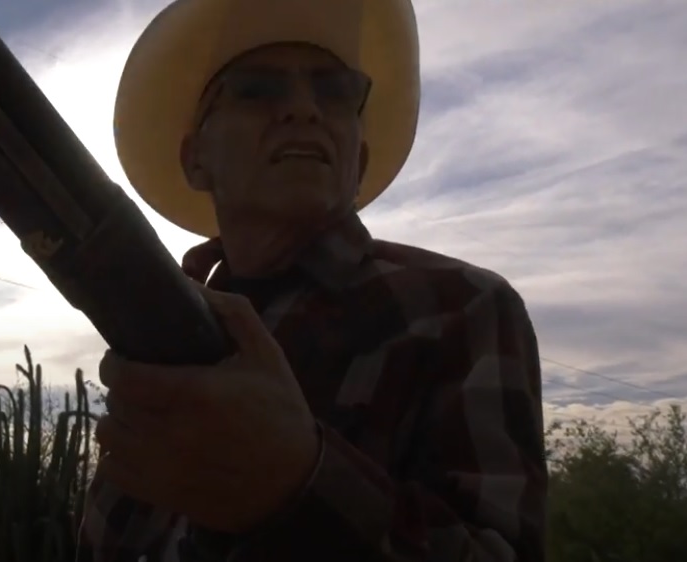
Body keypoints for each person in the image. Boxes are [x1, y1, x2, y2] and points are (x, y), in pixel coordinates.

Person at [82, 0, 548, 559]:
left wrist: (300, 486)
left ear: (359, 159)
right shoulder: (160, 340)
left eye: (335, 92)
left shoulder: (458, 308)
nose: (304, 109)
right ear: (196, 158)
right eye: (256, 90)